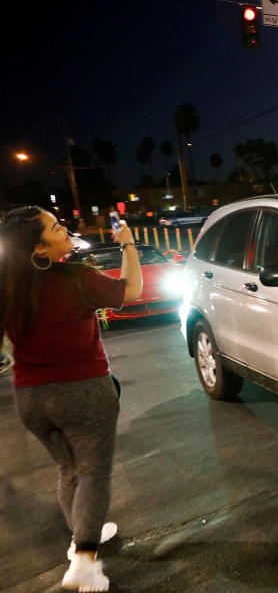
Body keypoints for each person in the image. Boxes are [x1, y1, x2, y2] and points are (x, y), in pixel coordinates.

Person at [0, 206, 143, 592]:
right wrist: (128, 245)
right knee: (94, 472)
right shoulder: (76, 277)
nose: (66, 229)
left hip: (30, 397)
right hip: (82, 390)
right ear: (38, 249)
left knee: (69, 469)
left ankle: (82, 535)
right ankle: (84, 558)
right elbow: (130, 292)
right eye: (56, 227)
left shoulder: (7, 285)